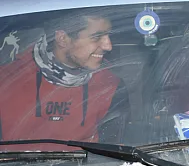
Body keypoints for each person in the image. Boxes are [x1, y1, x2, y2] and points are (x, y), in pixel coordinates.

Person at [0, 9, 129, 146]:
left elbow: (113, 155)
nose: (108, 46)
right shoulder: (7, 81)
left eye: (108, 36)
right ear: (62, 39)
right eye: (96, 37)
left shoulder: (111, 86)